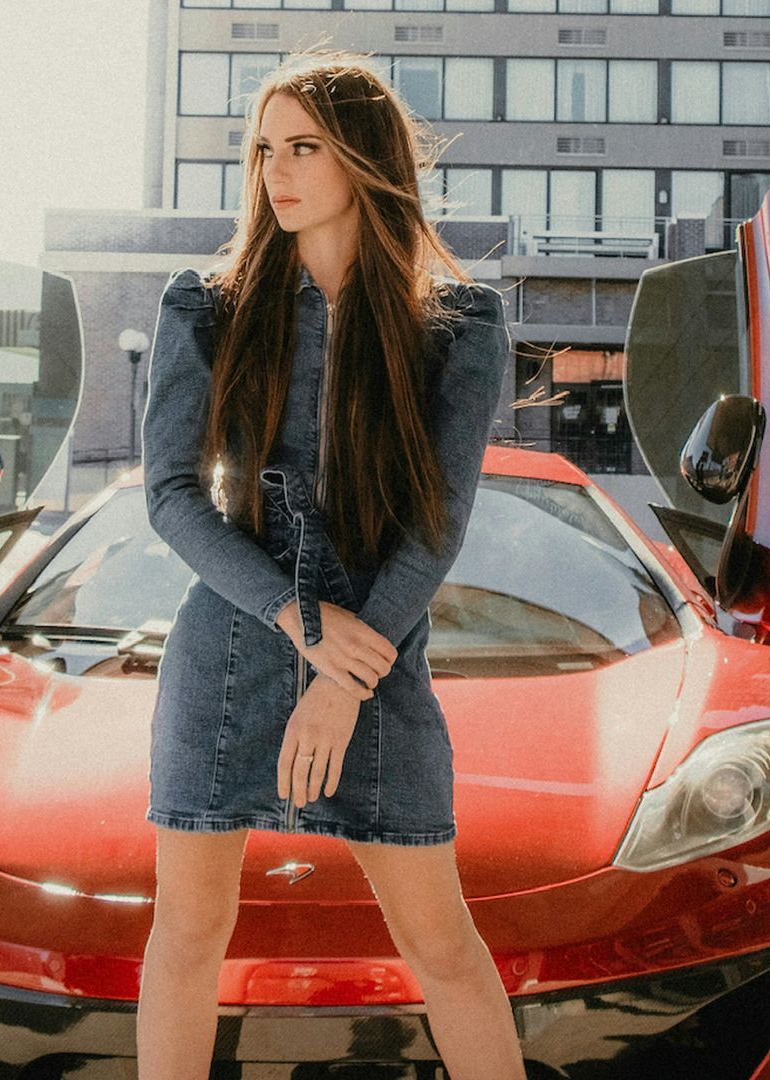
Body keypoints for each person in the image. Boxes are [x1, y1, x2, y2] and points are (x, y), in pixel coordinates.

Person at [134, 50, 524, 1080]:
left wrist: (344, 679)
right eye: (265, 149)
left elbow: (436, 528)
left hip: (380, 644)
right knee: (186, 937)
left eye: (303, 146)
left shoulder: (459, 324)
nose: (277, 171)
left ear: (364, 158)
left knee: (442, 945)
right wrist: (299, 626)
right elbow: (170, 500)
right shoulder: (207, 307)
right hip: (233, 635)